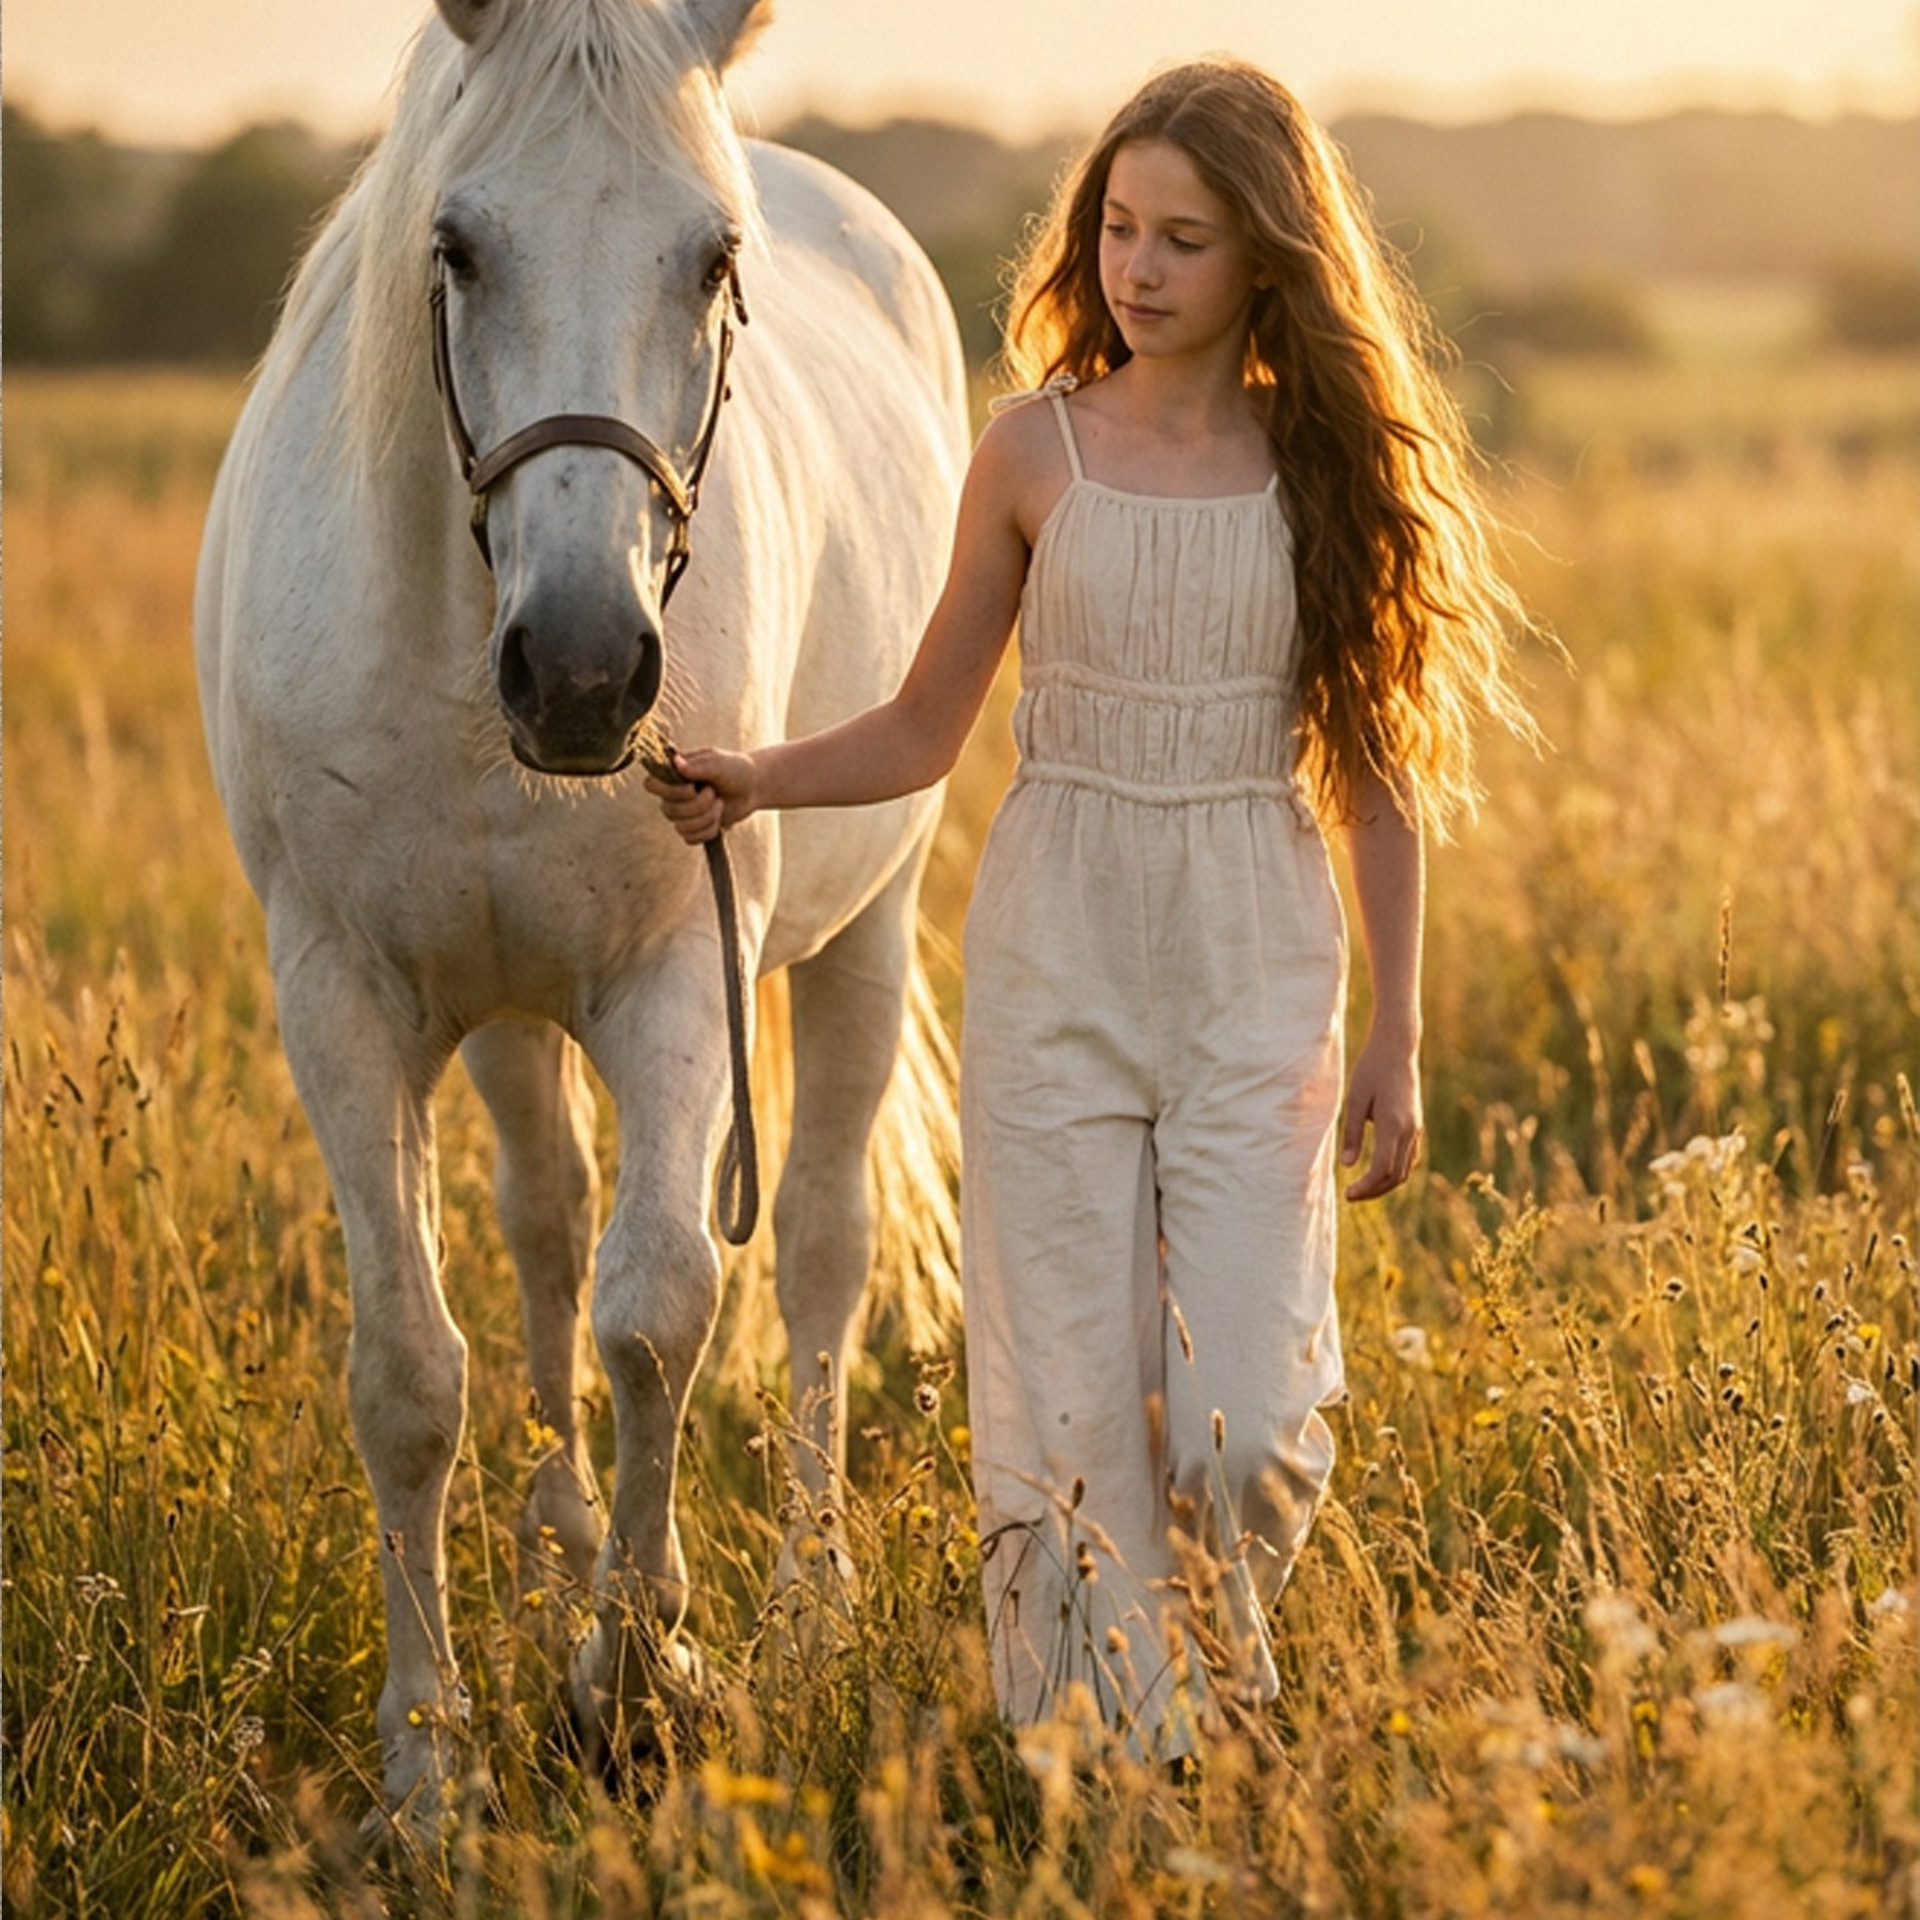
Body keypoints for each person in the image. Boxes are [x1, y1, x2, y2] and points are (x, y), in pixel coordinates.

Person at [650, 58, 1531, 1756]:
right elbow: (923, 728)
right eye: (1120, 227)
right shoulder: (1029, 454)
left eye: (1184, 239)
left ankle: (1213, 1656)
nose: (1138, 267)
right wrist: (756, 774)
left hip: (1256, 961)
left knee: (1237, 1423)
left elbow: (1377, 773)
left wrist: (1400, 1032)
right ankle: (1135, 1763)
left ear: (1266, 256)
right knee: (1074, 1398)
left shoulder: (1323, 470)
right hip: (1056, 959)